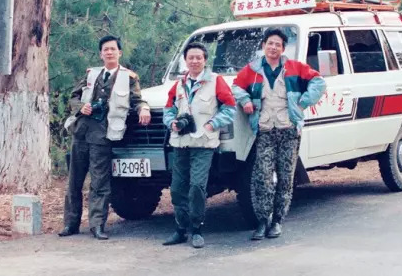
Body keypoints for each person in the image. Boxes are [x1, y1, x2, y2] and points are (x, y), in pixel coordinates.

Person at [232, 28, 325, 240]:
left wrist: (303, 102)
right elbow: (236, 86)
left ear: (283, 48)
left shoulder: (294, 67)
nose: (273, 47)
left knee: (285, 178)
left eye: (277, 44)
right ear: (263, 45)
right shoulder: (253, 70)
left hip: (288, 130)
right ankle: (262, 221)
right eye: (270, 43)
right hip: (264, 130)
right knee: (263, 178)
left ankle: (277, 221)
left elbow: (318, 82)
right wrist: (245, 100)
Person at [59, 35, 151, 240]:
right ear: (101, 54)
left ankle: (97, 225)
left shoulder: (129, 77)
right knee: (74, 181)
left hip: (103, 134)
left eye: (112, 49)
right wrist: (81, 107)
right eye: (105, 50)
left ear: (119, 53)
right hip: (81, 132)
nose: (109, 52)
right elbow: (73, 96)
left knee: (100, 182)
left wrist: (144, 108)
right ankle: (70, 224)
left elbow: (137, 99)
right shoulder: (91, 74)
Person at [162, 42, 236, 248]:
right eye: (190, 58)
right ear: (185, 60)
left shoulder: (215, 81)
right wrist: (172, 122)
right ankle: (180, 229)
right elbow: (169, 109)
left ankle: (196, 229)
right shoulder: (179, 84)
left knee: (196, 186)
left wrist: (213, 124)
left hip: (204, 143)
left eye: (198, 58)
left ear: (205, 60)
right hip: (181, 143)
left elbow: (230, 107)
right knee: (177, 188)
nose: (194, 61)